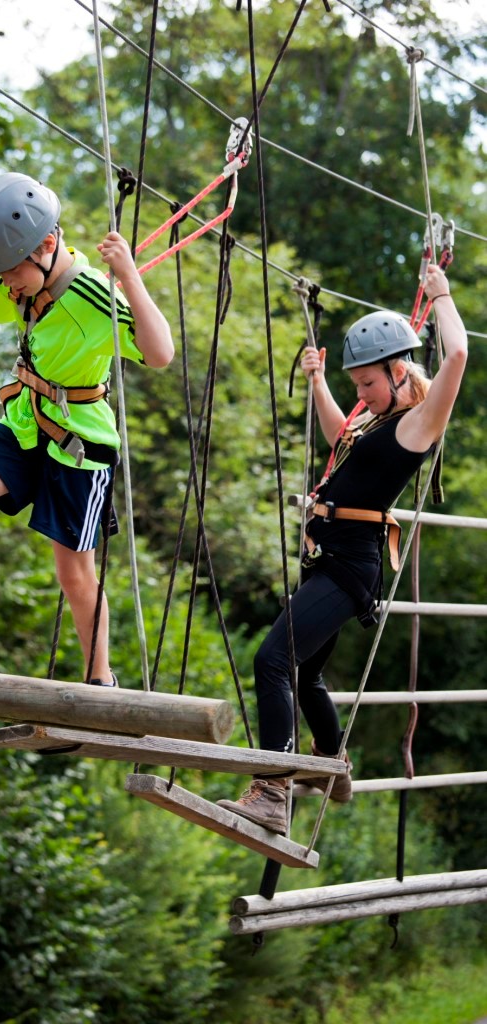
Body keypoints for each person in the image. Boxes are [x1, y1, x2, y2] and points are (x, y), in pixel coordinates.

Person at [218, 264, 468, 835]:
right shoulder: (380, 426)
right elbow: (341, 436)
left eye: (367, 385)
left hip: (350, 567)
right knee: (304, 675)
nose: (362, 396)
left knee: (271, 660)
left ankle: (271, 792)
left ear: (398, 371)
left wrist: (442, 296)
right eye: (356, 387)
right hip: (328, 561)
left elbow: (456, 358)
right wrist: (319, 383)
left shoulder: (418, 424)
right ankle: (333, 766)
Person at [0, 172, 174, 683]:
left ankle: (99, 680)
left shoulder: (91, 295)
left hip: (79, 446)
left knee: (74, 573)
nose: (8, 284)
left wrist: (129, 276)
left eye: (13, 272)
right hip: (24, 424)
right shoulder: (21, 281)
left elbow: (160, 352)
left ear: (47, 244)